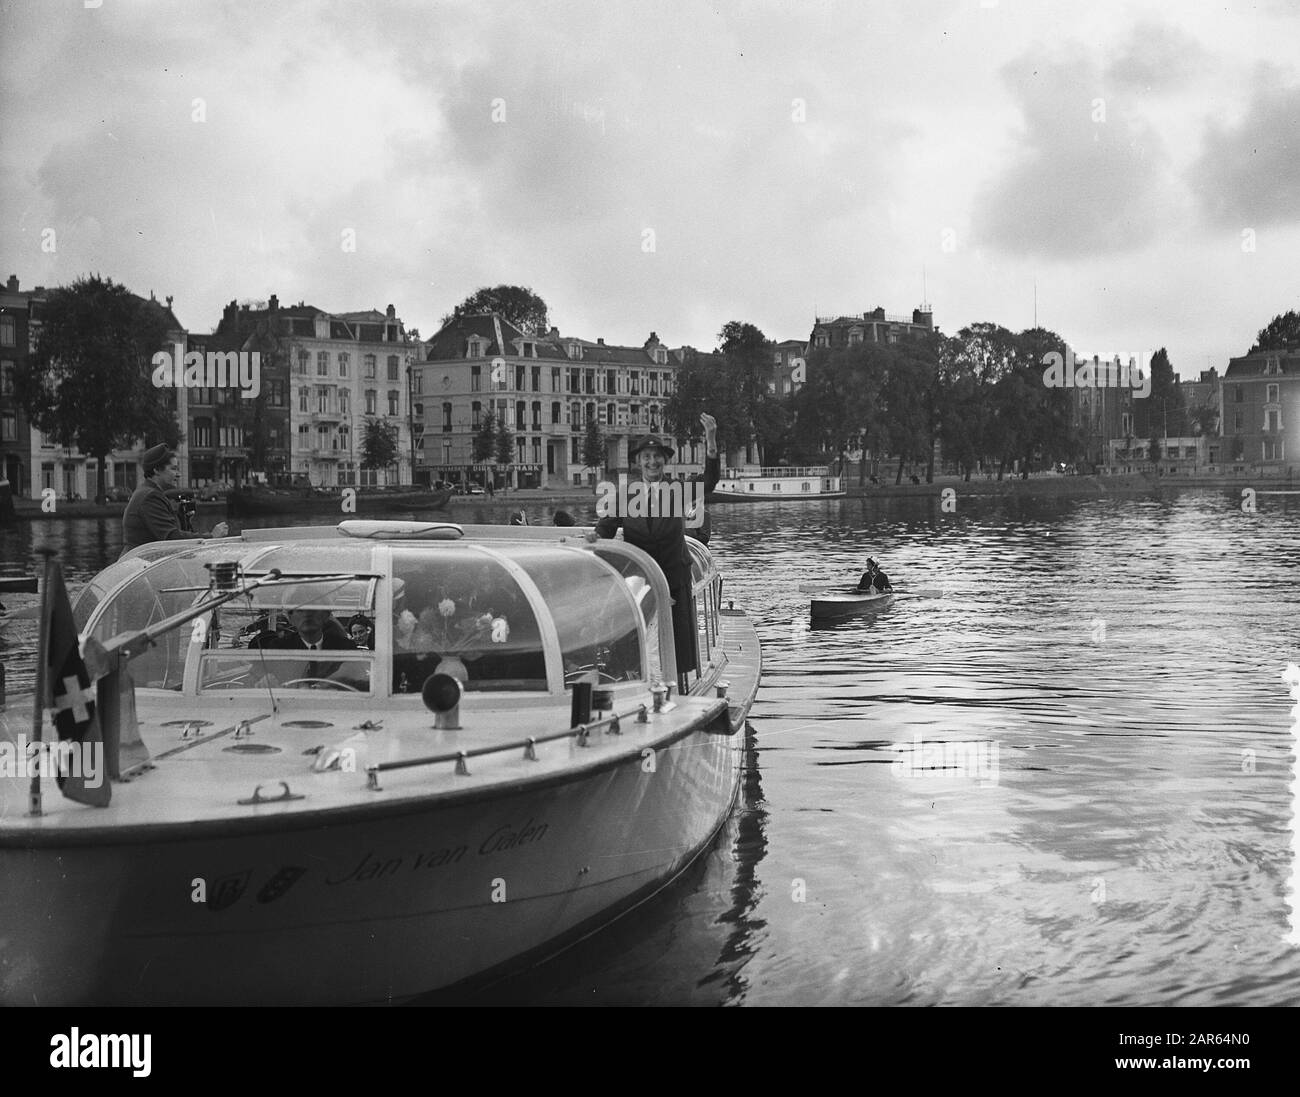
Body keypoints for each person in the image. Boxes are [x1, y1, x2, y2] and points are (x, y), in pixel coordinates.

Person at [591, 412, 720, 688]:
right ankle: (636, 689)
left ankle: (679, 691)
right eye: (646, 457)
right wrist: (592, 540)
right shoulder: (625, 495)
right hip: (639, 582)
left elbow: (709, 481)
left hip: (674, 579)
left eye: (657, 456)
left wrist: (710, 440)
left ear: (665, 461)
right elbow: (605, 530)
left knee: (676, 648)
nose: (652, 461)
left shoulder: (678, 490)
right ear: (638, 462)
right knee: (636, 641)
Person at [120, 445, 228, 558]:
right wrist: (211, 537)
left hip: (141, 563)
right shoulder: (150, 496)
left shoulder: (147, 492)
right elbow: (171, 536)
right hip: (140, 566)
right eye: (173, 468)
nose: (179, 474)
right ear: (156, 470)